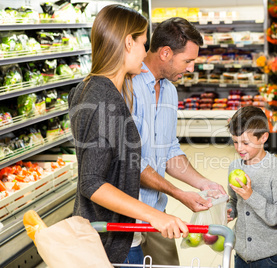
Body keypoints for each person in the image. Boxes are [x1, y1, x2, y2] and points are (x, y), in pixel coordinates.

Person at [68, 5, 189, 265]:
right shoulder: (103, 98)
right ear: (127, 43)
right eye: (144, 43)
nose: (146, 52)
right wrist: (154, 215)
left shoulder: (95, 89)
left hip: (114, 235)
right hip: (111, 241)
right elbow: (92, 182)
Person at [131, 17, 226, 265]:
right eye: (188, 61)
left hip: (157, 212)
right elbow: (131, 162)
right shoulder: (127, 87)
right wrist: (178, 193)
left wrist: (204, 183)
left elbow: (169, 151)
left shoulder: (170, 91)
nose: (191, 68)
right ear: (165, 53)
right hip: (127, 214)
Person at [226, 106, 277, 268]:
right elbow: (234, 201)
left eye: (245, 142)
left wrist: (251, 196)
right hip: (241, 254)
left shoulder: (276, 170)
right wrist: (229, 210)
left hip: (269, 258)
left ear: (263, 137)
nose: (239, 148)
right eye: (235, 142)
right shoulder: (235, 167)